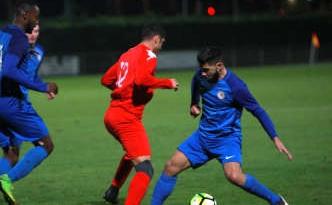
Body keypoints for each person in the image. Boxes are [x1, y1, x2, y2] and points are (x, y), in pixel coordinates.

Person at [150, 46, 293, 205]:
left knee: (234, 176)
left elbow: (258, 111)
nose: (202, 73)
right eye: (201, 69)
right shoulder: (201, 76)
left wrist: (275, 138)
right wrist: (194, 103)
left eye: (206, 69)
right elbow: (196, 82)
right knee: (170, 167)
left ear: (219, 66)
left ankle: (276, 201)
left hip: (227, 140)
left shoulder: (236, 86)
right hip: (202, 138)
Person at [0, 0, 58, 205]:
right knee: (46, 144)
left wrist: (0, 60)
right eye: (35, 18)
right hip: (11, 103)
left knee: (11, 153)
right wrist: (41, 86)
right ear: (25, 15)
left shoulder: (1, 32)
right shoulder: (20, 38)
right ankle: (7, 179)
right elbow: (10, 70)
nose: (36, 23)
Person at [101, 22, 179, 205]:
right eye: (161, 43)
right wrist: (168, 83)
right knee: (145, 169)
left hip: (112, 115)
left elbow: (106, 80)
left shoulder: (127, 54)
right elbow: (142, 80)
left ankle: (113, 191)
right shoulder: (149, 55)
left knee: (132, 154)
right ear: (157, 39)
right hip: (126, 118)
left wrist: (123, 88)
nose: (160, 48)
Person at [0, 24, 45, 160]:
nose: (32, 34)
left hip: (23, 98)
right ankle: (5, 174)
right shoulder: (16, 49)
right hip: (11, 98)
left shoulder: (40, 51)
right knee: (20, 139)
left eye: (36, 31)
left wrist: (42, 86)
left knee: (17, 137)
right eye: (30, 31)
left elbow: (33, 73)